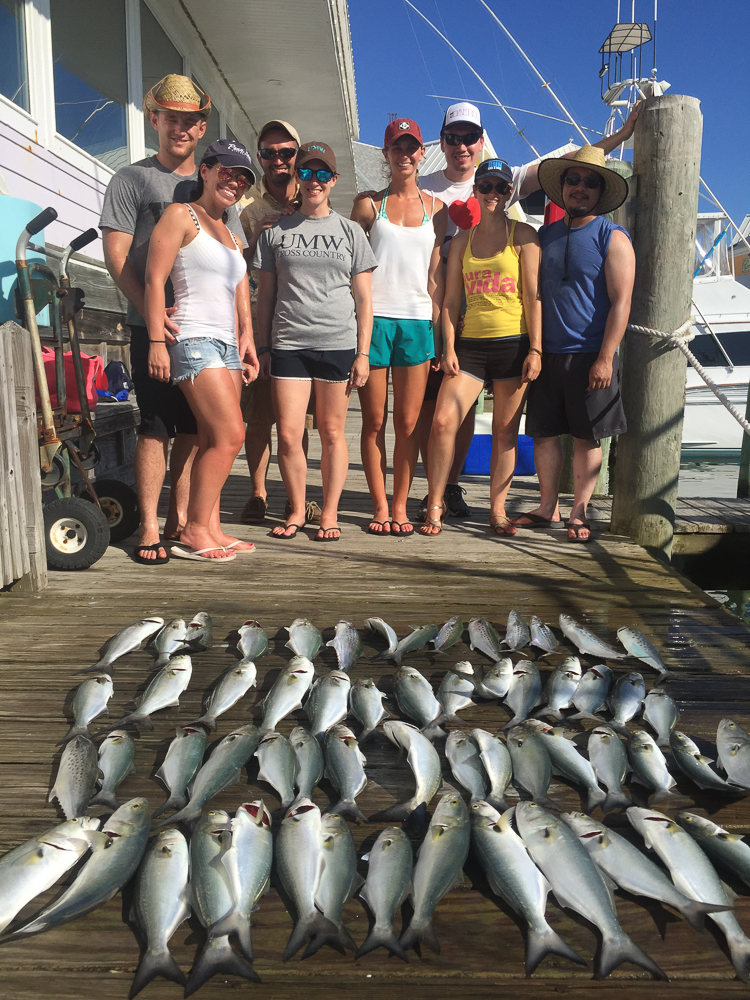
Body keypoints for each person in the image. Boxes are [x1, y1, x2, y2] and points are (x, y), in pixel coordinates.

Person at [416, 100, 642, 520]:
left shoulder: (532, 230)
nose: (462, 145)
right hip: (452, 329)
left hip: (524, 341)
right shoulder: (427, 187)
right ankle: (438, 499)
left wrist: (619, 138)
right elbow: (395, 193)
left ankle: (536, 510)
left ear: (480, 143)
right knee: (442, 419)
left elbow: (570, 163)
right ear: (444, 142)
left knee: (530, 431)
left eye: (469, 138)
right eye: (453, 138)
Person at [100, 74, 248, 564]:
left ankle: (185, 521)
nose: (180, 128)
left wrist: (245, 334)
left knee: (196, 431)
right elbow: (117, 256)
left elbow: (234, 272)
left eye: (190, 120)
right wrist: (152, 318)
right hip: (154, 327)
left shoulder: (216, 198)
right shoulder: (133, 179)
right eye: (172, 118)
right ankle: (147, 527)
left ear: (201, 127)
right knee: (155, 426)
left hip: (209, 333)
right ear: (155, 119)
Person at [254, 141, 377, 541]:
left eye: (322, 174)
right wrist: (264, 347)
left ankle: (328, 512)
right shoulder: (275, 233)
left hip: (338, 343)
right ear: (297, 178)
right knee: (288, 434)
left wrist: (363, 353)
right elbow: (266, 297)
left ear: (333, 180)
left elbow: (364, 299)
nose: (314, 181)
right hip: (289, 343)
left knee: (331, 433)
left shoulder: (351, 231)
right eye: (306, 173)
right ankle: (295, 510)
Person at [144, 139, 259, 561]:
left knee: (214, 436)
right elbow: (156, 280)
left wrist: (246, 338)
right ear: (206, 170)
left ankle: (211, 525)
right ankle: (193, 529)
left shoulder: (231, 231)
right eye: (228, 171)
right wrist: (157, 338)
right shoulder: (181, 215)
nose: (235, 181)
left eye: (243, 177)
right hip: (193, 338)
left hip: (227, 343)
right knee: (231, 435)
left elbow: (238, 289)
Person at [515, 145, 635, 542]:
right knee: (544, 434)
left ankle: (579, 511)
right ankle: (547, 506)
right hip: (546, 354)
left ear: (600, 191)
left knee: (587, 436)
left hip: (590, 354)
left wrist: (605, 357)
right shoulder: (543, 236)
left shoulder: (612, 236)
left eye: (590, 182)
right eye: (573, 180)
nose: (580, 187)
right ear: (562, 186)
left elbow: (622, 302)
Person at [420, 159, 542, 537]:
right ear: (475, 190)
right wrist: (448, 347)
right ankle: (435, 503)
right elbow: (451, 300)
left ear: (509, 193)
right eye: (486, 186)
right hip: (470, 345)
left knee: (506, 432)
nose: (493, 194)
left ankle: (498, 509)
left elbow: (534, 296)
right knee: (443, 422)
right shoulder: (461, 240)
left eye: (501, 188)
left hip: (514, 344)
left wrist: (536, 350)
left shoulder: (524, 235)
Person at [350, 118, 447, 537]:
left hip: (417, 321)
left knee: (408, 423)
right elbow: (351, 269)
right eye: (396, 147)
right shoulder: (368, 205)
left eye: (411, 147)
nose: (404, 155)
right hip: (375, 321)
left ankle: (402, 505)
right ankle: (378, 505)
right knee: (373, 420)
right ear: (386, 154)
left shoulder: (437, 211)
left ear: (421, 153)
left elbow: (437, 279)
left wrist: (442, 334)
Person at [237, 120, 321, 527]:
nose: (278, 160)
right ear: (259, 158)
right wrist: (258, 239)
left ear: (297, 155)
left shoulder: (313, 200)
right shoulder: (245, 208)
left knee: (296, 422)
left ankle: (296, 496)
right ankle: (257, 492)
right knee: (257, 418)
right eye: (268, 153)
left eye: (286, 152)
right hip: (254, 325)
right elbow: (229, 265)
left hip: (298, 327)